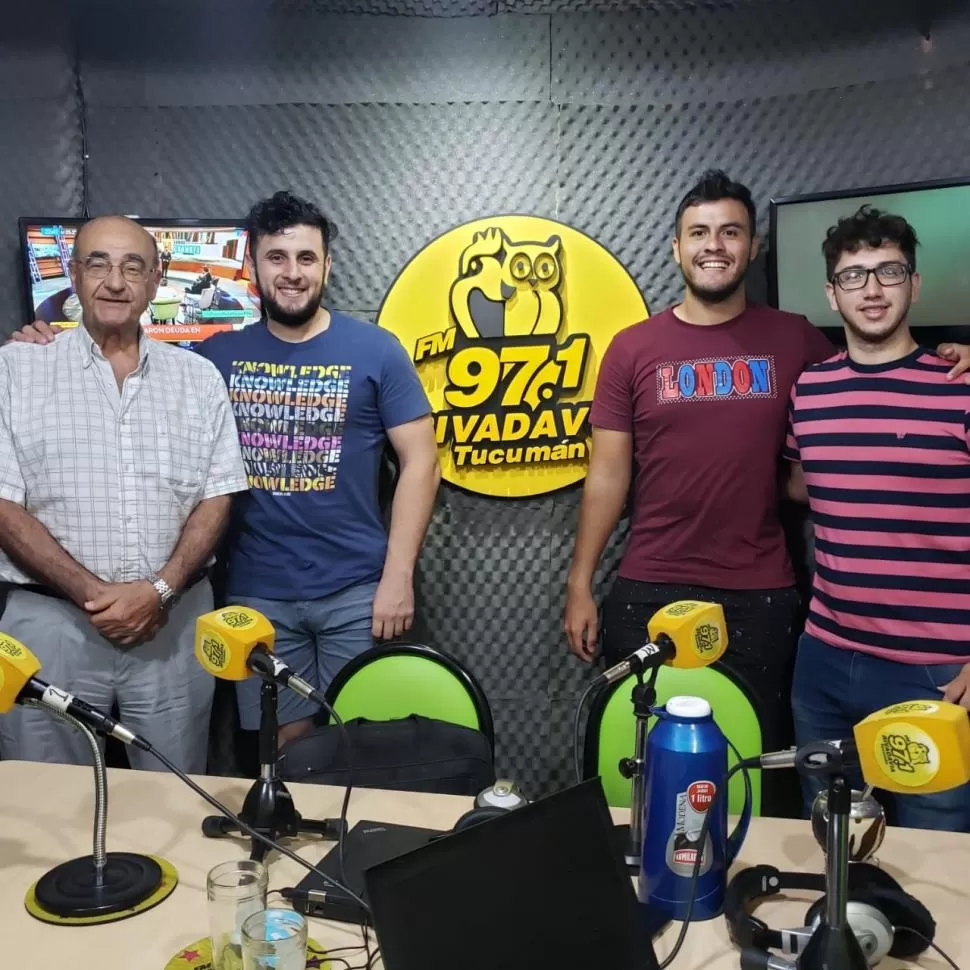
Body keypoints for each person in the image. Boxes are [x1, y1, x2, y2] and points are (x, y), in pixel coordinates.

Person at [562, 170, 970, 817]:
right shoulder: (633, 349)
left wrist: (959, 354)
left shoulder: (797, 340)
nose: (714, 245)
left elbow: (865, 397)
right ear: (676, 247)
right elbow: (607, 474)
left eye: (731, 232)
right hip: (651, 588)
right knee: (649, 769)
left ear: (752, 248)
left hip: (762, 597)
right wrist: (580, 581)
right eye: (699, 232)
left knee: (760, 784)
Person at [0, 215, 248, 772]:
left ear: (156, 280)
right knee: (46, 808)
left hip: (174, 624)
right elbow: (2, 506)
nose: (115, 281)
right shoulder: (14, 370)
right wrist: (98, 596)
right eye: (98, 264)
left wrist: (157, 591)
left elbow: (217, 496)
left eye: (133, 266)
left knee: (177, 797)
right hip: (51, 625)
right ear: (73, 273)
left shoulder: (199, 378)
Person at [785, 205, 970, 831]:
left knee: (935, 858)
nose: (872, 289)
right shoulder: (808, 391)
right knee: (832, 843)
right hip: (825, 660)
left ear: (914, 285)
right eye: (854, 275)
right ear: (831, 295)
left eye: (888, 271)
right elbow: (801, 484)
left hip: (936, 672)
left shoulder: (960, 385)